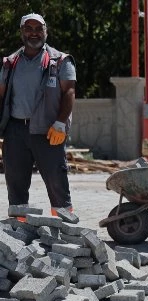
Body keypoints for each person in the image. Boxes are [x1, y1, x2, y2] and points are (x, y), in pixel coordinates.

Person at [0, 13, 76, 216]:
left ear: (46, 32)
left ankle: (64, 228)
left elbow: (69, 92)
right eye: (28, 28)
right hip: (15, 130)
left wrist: (61, 122)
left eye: (38, 29)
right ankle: (19, 231)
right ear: (21, 32)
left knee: (56, 181)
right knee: (15, 182)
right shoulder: (11, 62)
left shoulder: (59, 60)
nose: (33, 33)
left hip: (48, 130)